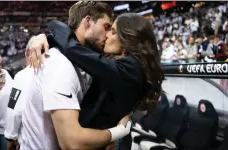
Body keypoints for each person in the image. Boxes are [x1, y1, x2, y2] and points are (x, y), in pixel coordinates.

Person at [28, 3, 164, 150]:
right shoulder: (125, 66)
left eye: (112, 31)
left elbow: (73, 49)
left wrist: (51, 29)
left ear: (128, 37)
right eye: (107, 28)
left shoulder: (130, 69)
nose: (107, 36)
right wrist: (43, 37)